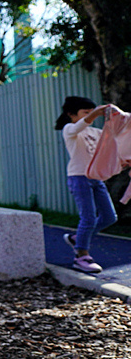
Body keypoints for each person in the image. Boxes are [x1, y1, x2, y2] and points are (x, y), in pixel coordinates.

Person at [57, 96, 117, 273]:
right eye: (85, 112)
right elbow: (79, 125)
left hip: (95, 178)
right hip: (78, 177)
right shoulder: (70, 129)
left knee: (109, 217)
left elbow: (112, 145)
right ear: (71, 114)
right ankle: (81, 256)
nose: (90, 116)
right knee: (88, 218)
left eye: (91, 112)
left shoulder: (96, 132)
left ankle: (77, 238)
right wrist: (96, 113)